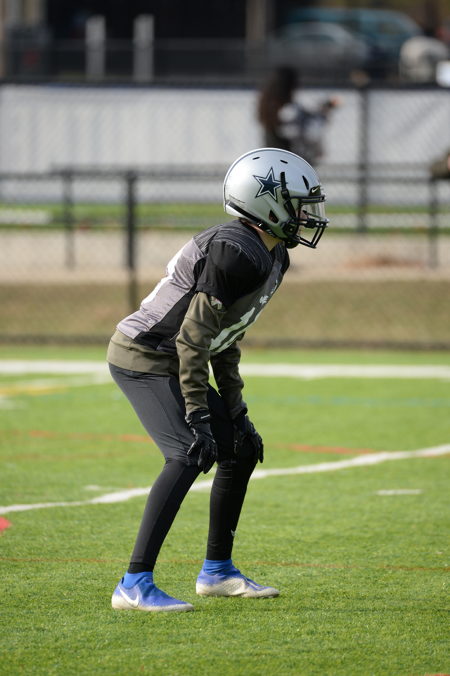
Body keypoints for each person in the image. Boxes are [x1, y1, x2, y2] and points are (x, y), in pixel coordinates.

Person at [107, 147, 329, 612]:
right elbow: (192, 338)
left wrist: (235, 408)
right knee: (188, 452)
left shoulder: (272, 255)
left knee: (241, 449)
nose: (308, 215)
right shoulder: (236, 253)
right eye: (299, 204)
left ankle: (217, 572)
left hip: (175, 355)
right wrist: (198, 412)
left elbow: (226, 337)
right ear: (267, 203)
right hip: (145, 355)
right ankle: (133, 583)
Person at [257, 66, 340, 166]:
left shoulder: (270, 104)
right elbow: (305, 131)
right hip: (291, 160)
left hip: (276, 158)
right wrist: (323, 114)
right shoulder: (287, 109)